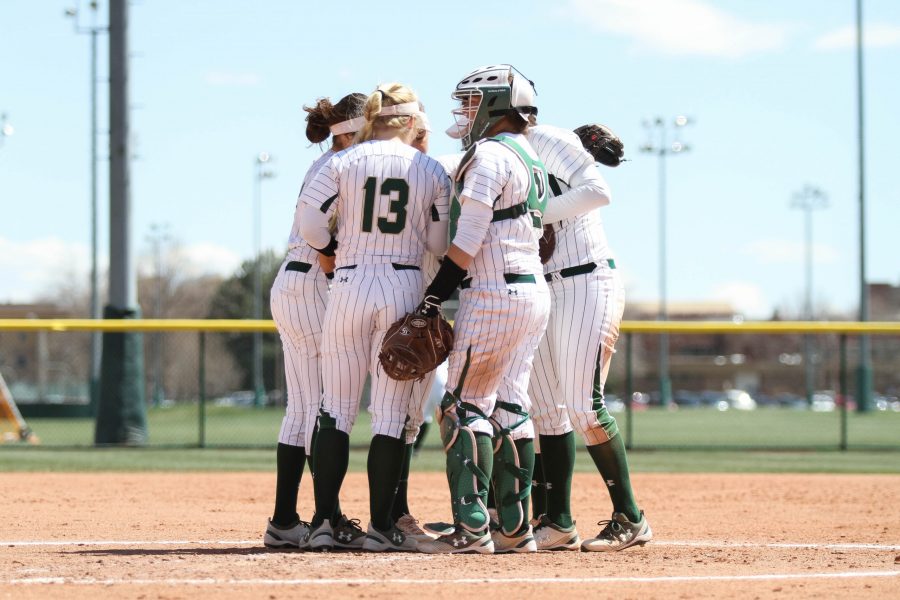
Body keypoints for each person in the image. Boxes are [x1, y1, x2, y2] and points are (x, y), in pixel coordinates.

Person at [298, 83, 451, 552]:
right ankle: (383, 528)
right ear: (408, 121)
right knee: (388, 415)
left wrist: (333, 249)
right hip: (402, 282)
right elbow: (440, 247)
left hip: (347, 280)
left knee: (335, 410)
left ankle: (324, 522)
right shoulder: (430, 168)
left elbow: (308, 224)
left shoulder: (342, 162)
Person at [416, 65, 550, 554]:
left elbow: (468, 238)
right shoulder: (529, 155)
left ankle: (473, 527)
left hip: (493, 291)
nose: (466, 112)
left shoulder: (489, 154)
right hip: (532, 292)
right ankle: (516, 529)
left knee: (464, 406)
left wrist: (433, 296)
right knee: (512, 405)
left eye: (474, 102)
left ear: (496, 105)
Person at [527, 123, 652, 551]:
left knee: (585, 408)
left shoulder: (547, 145)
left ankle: (630, 517)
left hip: (587, 281)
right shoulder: (507, 159)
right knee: (545, 409)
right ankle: (557, 521)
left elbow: (599, 191)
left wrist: (533, 213)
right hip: (542, 287)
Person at [264, 92, 369, 550]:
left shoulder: (335, 162)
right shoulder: (337, 165)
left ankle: (289, 519)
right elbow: (317, 231)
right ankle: (317, 516)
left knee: (304, 407)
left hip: (297, 282)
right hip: (310, 281)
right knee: (316, 407)